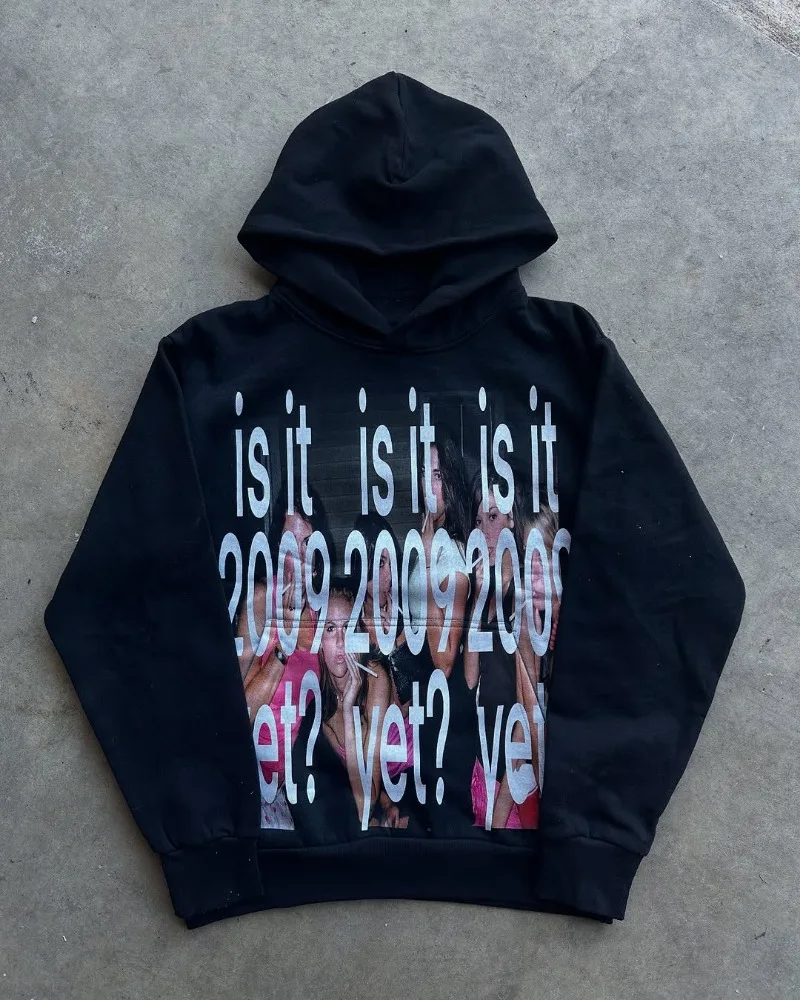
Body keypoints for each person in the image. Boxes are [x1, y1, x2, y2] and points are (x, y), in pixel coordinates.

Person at [235, 480, 332, 829]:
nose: (301, 556)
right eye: (291, 545)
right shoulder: (261, 599)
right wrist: (283, 647)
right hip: (258, 784)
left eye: (308, 543)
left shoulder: (325, 613)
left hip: (302, 787)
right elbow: (239, 710)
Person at [318, 583, 391, 828]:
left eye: (347, 628)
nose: (341, 641)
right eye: (330, 629)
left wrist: (349, 710)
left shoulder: (375, 679)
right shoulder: (315, 692)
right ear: (318, 640)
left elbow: (366, 805)